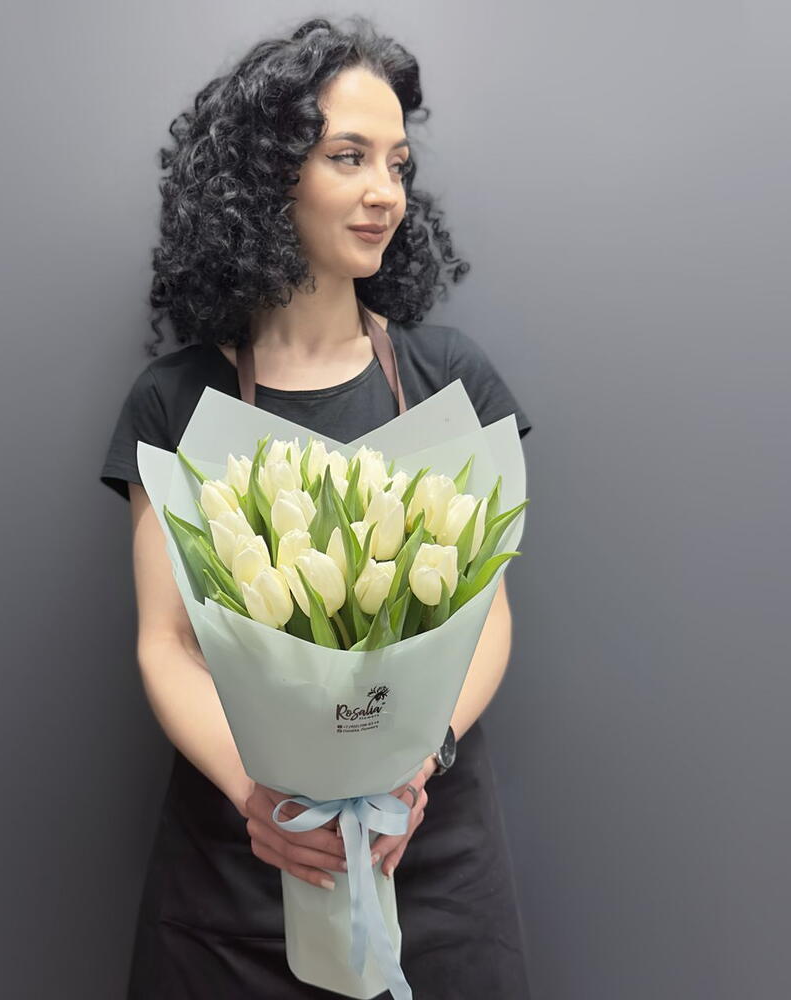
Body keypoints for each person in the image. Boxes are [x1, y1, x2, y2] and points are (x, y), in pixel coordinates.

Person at [100, 16, 534, 999]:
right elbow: (166, 641)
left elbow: (489, 614)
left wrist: (420, 761)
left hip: (425, 847)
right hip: (238, 868)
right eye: (349, 157)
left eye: (397, 163)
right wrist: (257, 798)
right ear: (269, 176)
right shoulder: (176, 400)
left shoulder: (449, 379)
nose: (386, 191)